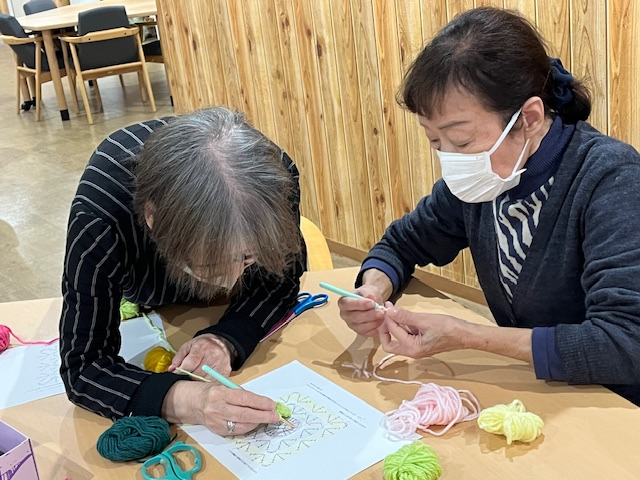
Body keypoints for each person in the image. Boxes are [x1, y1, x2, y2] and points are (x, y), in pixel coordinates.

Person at [338, 7, 640, 405]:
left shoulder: (610, 178)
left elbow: (625, 343)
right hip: (539, 392)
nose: (450, 158)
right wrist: (373, 290)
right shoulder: (487, 178)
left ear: (528, 118)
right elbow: (402, 243)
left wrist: (468, 335)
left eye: (462, 141)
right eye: (434, 141)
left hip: (613, 405)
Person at [59, 107, 307, 435]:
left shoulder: (273, 179)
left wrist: (225, 338)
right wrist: (190, 400)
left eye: (248, 258)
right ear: (153, 218)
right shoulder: (101, 213)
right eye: (211, 265)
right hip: (148, 294)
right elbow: (83, 367)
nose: (232, 279)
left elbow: (281, 279)